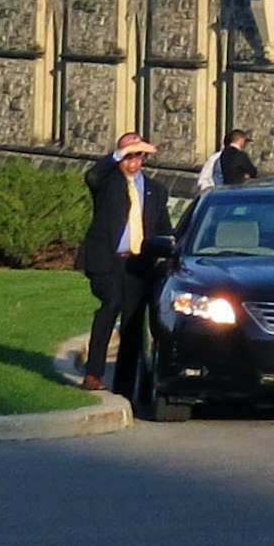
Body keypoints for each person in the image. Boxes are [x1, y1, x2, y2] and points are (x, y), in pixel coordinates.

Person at [79, 134, 172, 396]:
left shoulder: (156, 190)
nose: (133, 162)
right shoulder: (107, 182)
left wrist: (170, 251)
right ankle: (93, 373)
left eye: (138, 156)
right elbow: (92, 176)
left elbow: (162, 226)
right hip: (107, 260)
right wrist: (120, 153)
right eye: (129, 156)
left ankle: (126, 385)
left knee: (132, 322)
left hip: (139, 263)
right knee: (112, 304)